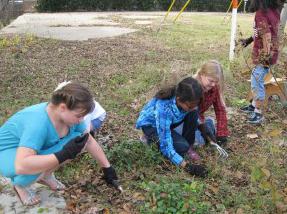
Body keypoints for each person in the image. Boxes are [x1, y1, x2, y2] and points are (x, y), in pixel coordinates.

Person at [0, 82, 118, 206]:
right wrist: (61, 155)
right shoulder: (38, 124)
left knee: (79, 140)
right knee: (64, 150)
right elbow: (21, 165)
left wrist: (107, 168)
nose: (81, 120)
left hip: (27, 150)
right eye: (79, 116)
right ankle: (20, 185)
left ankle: (46, 175)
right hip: (7, 154)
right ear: (62, 107)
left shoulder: (70, 117)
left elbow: (87, 140)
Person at [136, 77, 208, 178]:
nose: (192, 108)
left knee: (193, 113)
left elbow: (193, 113)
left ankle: (188, 148)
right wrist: (187, 166)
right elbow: (166, 147)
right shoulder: (164, 109)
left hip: (170, 122)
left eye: (194, 105)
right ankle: (148, 138)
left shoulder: (186, 98)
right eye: (189, 106)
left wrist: (203, 128)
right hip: (151, 126)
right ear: (179, 100)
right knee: (182, 146)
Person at [240, 0, 281, 124]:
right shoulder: (274, 11)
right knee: (256, 77)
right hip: (271, 54)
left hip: (264, 57)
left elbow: (267, 36)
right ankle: (253, 106)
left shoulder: (261, 13)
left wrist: (265, 57)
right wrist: (248, 40)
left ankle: (258, 114)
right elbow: (260, 33)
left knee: (256, 83)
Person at [193, 60, 229, 147]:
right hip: (187, 121)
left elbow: (220, 109)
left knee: (207, 138)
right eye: (211, 81)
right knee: (199, 142)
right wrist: (202, 126)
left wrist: (222, 134)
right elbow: (190, 113)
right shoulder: (192, 87)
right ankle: (206, 126)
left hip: (200, 120)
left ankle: (208, 124)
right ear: (202, 75)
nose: (213, 84)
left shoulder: (214, 88)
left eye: (216, 82)